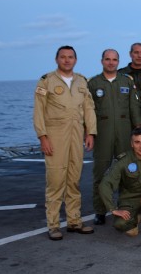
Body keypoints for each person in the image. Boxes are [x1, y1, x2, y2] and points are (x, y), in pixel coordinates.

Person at [33, 45, 97, 241]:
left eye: (70, 57)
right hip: (55, 135)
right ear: (56, 59)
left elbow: (89, 108)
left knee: (73, 179)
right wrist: (43, 136)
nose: (67, 60)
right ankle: (53, 225)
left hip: (76, 134)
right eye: (63, 57)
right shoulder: (46, 81)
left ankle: (74, 221)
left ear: (75, 60)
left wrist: (90, 132)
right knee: (55, 180)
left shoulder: (81, 81)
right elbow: (38, 111)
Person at [88, 49, 141, 225]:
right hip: (102, 131)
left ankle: (126, 206)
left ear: (118, 62)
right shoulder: (93, 83)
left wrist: (138, 130)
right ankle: (100, 210)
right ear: (102, 61)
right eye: (107, 59)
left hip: (124, 131)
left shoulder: (126, 81)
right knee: (101, 172)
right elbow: (88, 111)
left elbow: (134, 107)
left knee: (128, 171)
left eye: (114, 60)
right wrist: (89, 133)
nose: (111, 62)